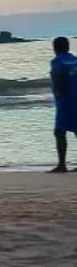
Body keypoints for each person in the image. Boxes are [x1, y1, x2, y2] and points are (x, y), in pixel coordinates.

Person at [52, 37, 75, 174]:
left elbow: (58, 75)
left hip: (66, 100)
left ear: (55, 48)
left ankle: (62, 165)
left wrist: (59, 93)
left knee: (59, 131)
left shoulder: (57, 61)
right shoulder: (75, 60)